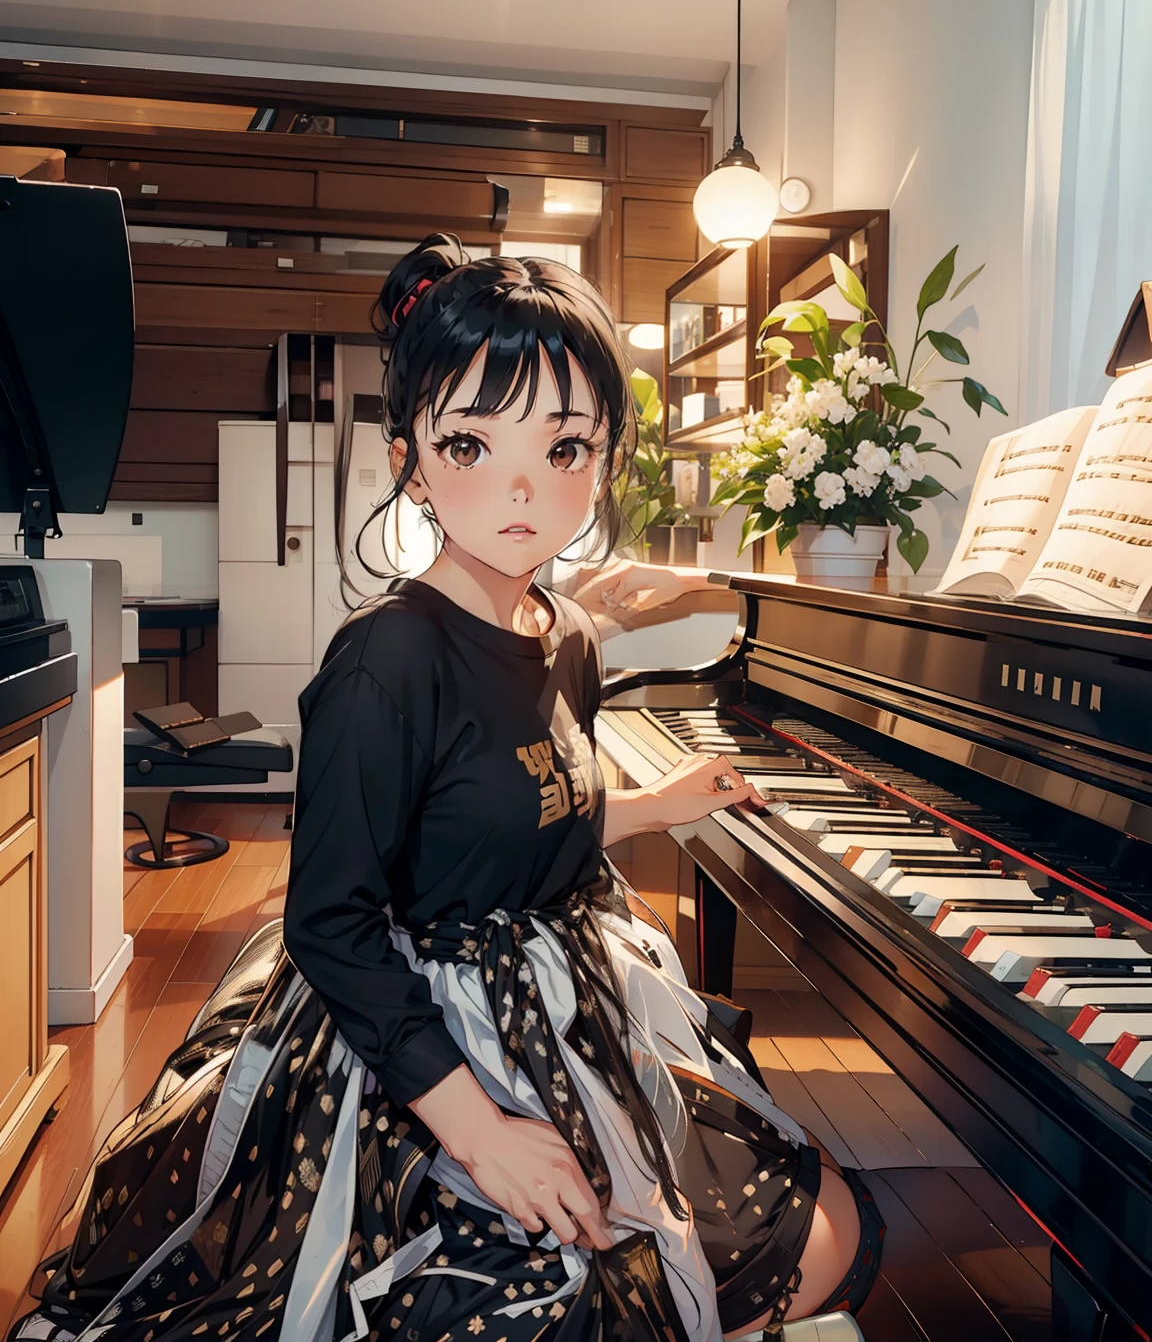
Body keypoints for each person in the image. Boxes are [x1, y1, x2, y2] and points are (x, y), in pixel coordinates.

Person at [12, 236, 881, 1342]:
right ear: (411, 457)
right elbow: (330, 925)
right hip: (414, 1041)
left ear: (605, 455)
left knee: (816, 1231)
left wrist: (662, 807)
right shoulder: (385, 664)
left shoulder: (563, 633)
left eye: (565, 446)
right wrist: (478, 1128)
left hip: (562, 999)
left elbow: (521, 832)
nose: (523, 488)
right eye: (473, 441)